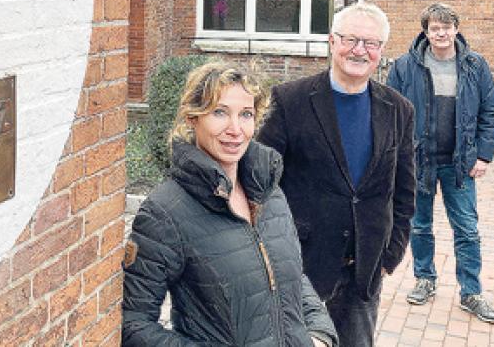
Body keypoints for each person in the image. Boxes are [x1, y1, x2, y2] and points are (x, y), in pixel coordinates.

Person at [122, 61, 339, 347]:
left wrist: (319, 334)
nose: (235, 129)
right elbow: (133, 323)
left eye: (246, 114)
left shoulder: (270, 194)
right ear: (192, 118)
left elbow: (290, 275)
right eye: (220, 112)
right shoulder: (165, 212)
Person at [258, 2, 416, 347]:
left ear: (381, 51)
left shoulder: (399, 109)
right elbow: (260, 182)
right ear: (332, 41)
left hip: (363, 271)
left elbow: (404, 191)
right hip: (301, 266)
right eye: (350, 39)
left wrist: (391, 253)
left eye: (370, 43)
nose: (359, 50)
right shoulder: (290, 100)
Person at [386, 2, 494, 324]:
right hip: (418, 161)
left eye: (446, 27)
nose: (441, 33)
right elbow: (388, 113)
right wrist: (396, 156)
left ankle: (471, 292)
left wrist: (483, 155)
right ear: (426, 31)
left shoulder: (475, 66)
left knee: (466, 229)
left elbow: (490, 113)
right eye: (434, 28)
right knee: (419, 225)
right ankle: (424, 278)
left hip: (459, 163)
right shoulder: (405, 66)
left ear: (456, 29)